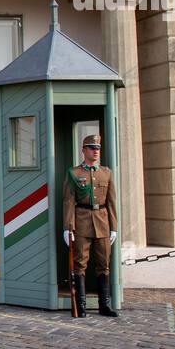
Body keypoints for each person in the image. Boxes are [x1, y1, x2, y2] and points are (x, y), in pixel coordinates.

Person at [62, 134, 119, 318]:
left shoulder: (106, 173)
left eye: (98, 148)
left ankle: (105, 305)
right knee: (80, 265)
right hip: (81, 221)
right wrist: (68, 227)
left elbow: (111, 202)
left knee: (104, 265)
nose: (96, 151)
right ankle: (81, 305)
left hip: (102, 221)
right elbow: (69, 202)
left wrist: (114, 227)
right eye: (92, 148)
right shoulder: (74, 173)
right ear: (84, 150)